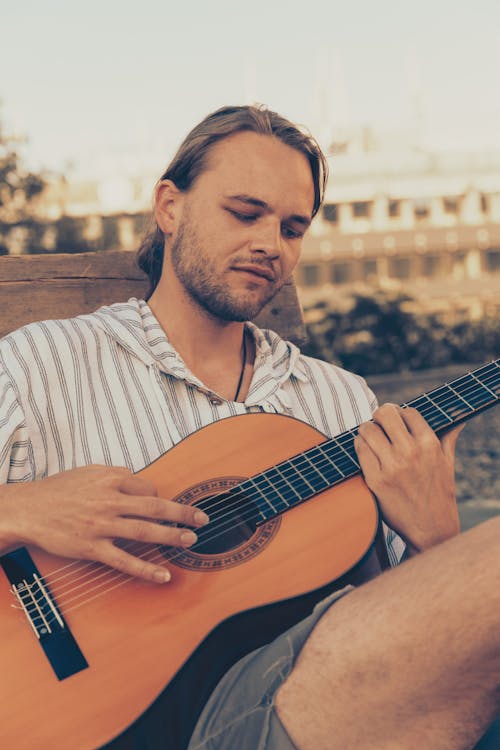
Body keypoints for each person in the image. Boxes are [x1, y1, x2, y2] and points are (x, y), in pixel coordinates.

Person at [0, 105, 498, 750]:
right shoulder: (38, 362)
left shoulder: (343, 401)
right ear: (170, 208)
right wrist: (21, 505)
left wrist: (437, 538)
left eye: (293, 228)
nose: (270, 243)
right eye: (245, 213)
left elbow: (424, 646)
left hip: (295, 710)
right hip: (88, 720)